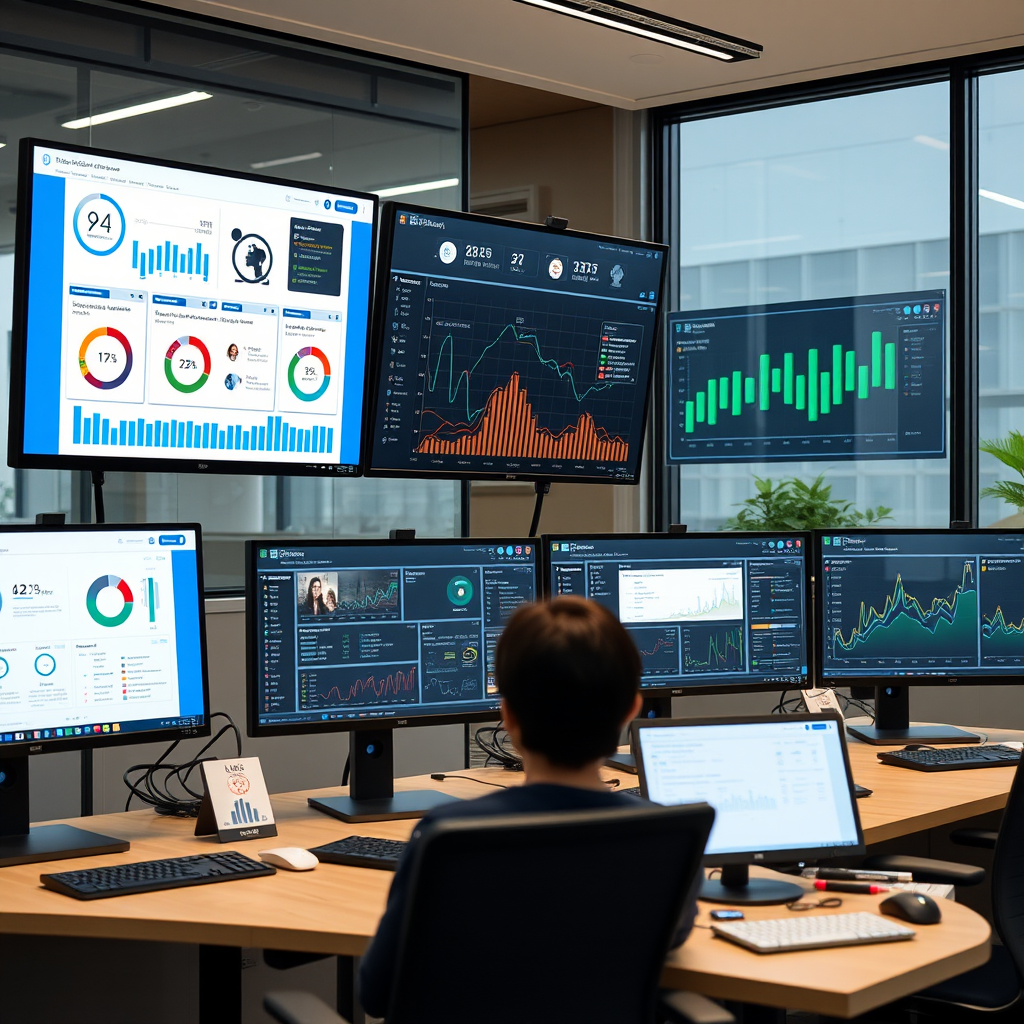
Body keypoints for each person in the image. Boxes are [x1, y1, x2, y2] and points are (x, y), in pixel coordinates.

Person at [358, 596, 701, 1017]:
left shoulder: (449, 837)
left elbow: (376, 992)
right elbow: (669, 937)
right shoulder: (670, 836)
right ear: (632, 709)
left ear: (508, 716)